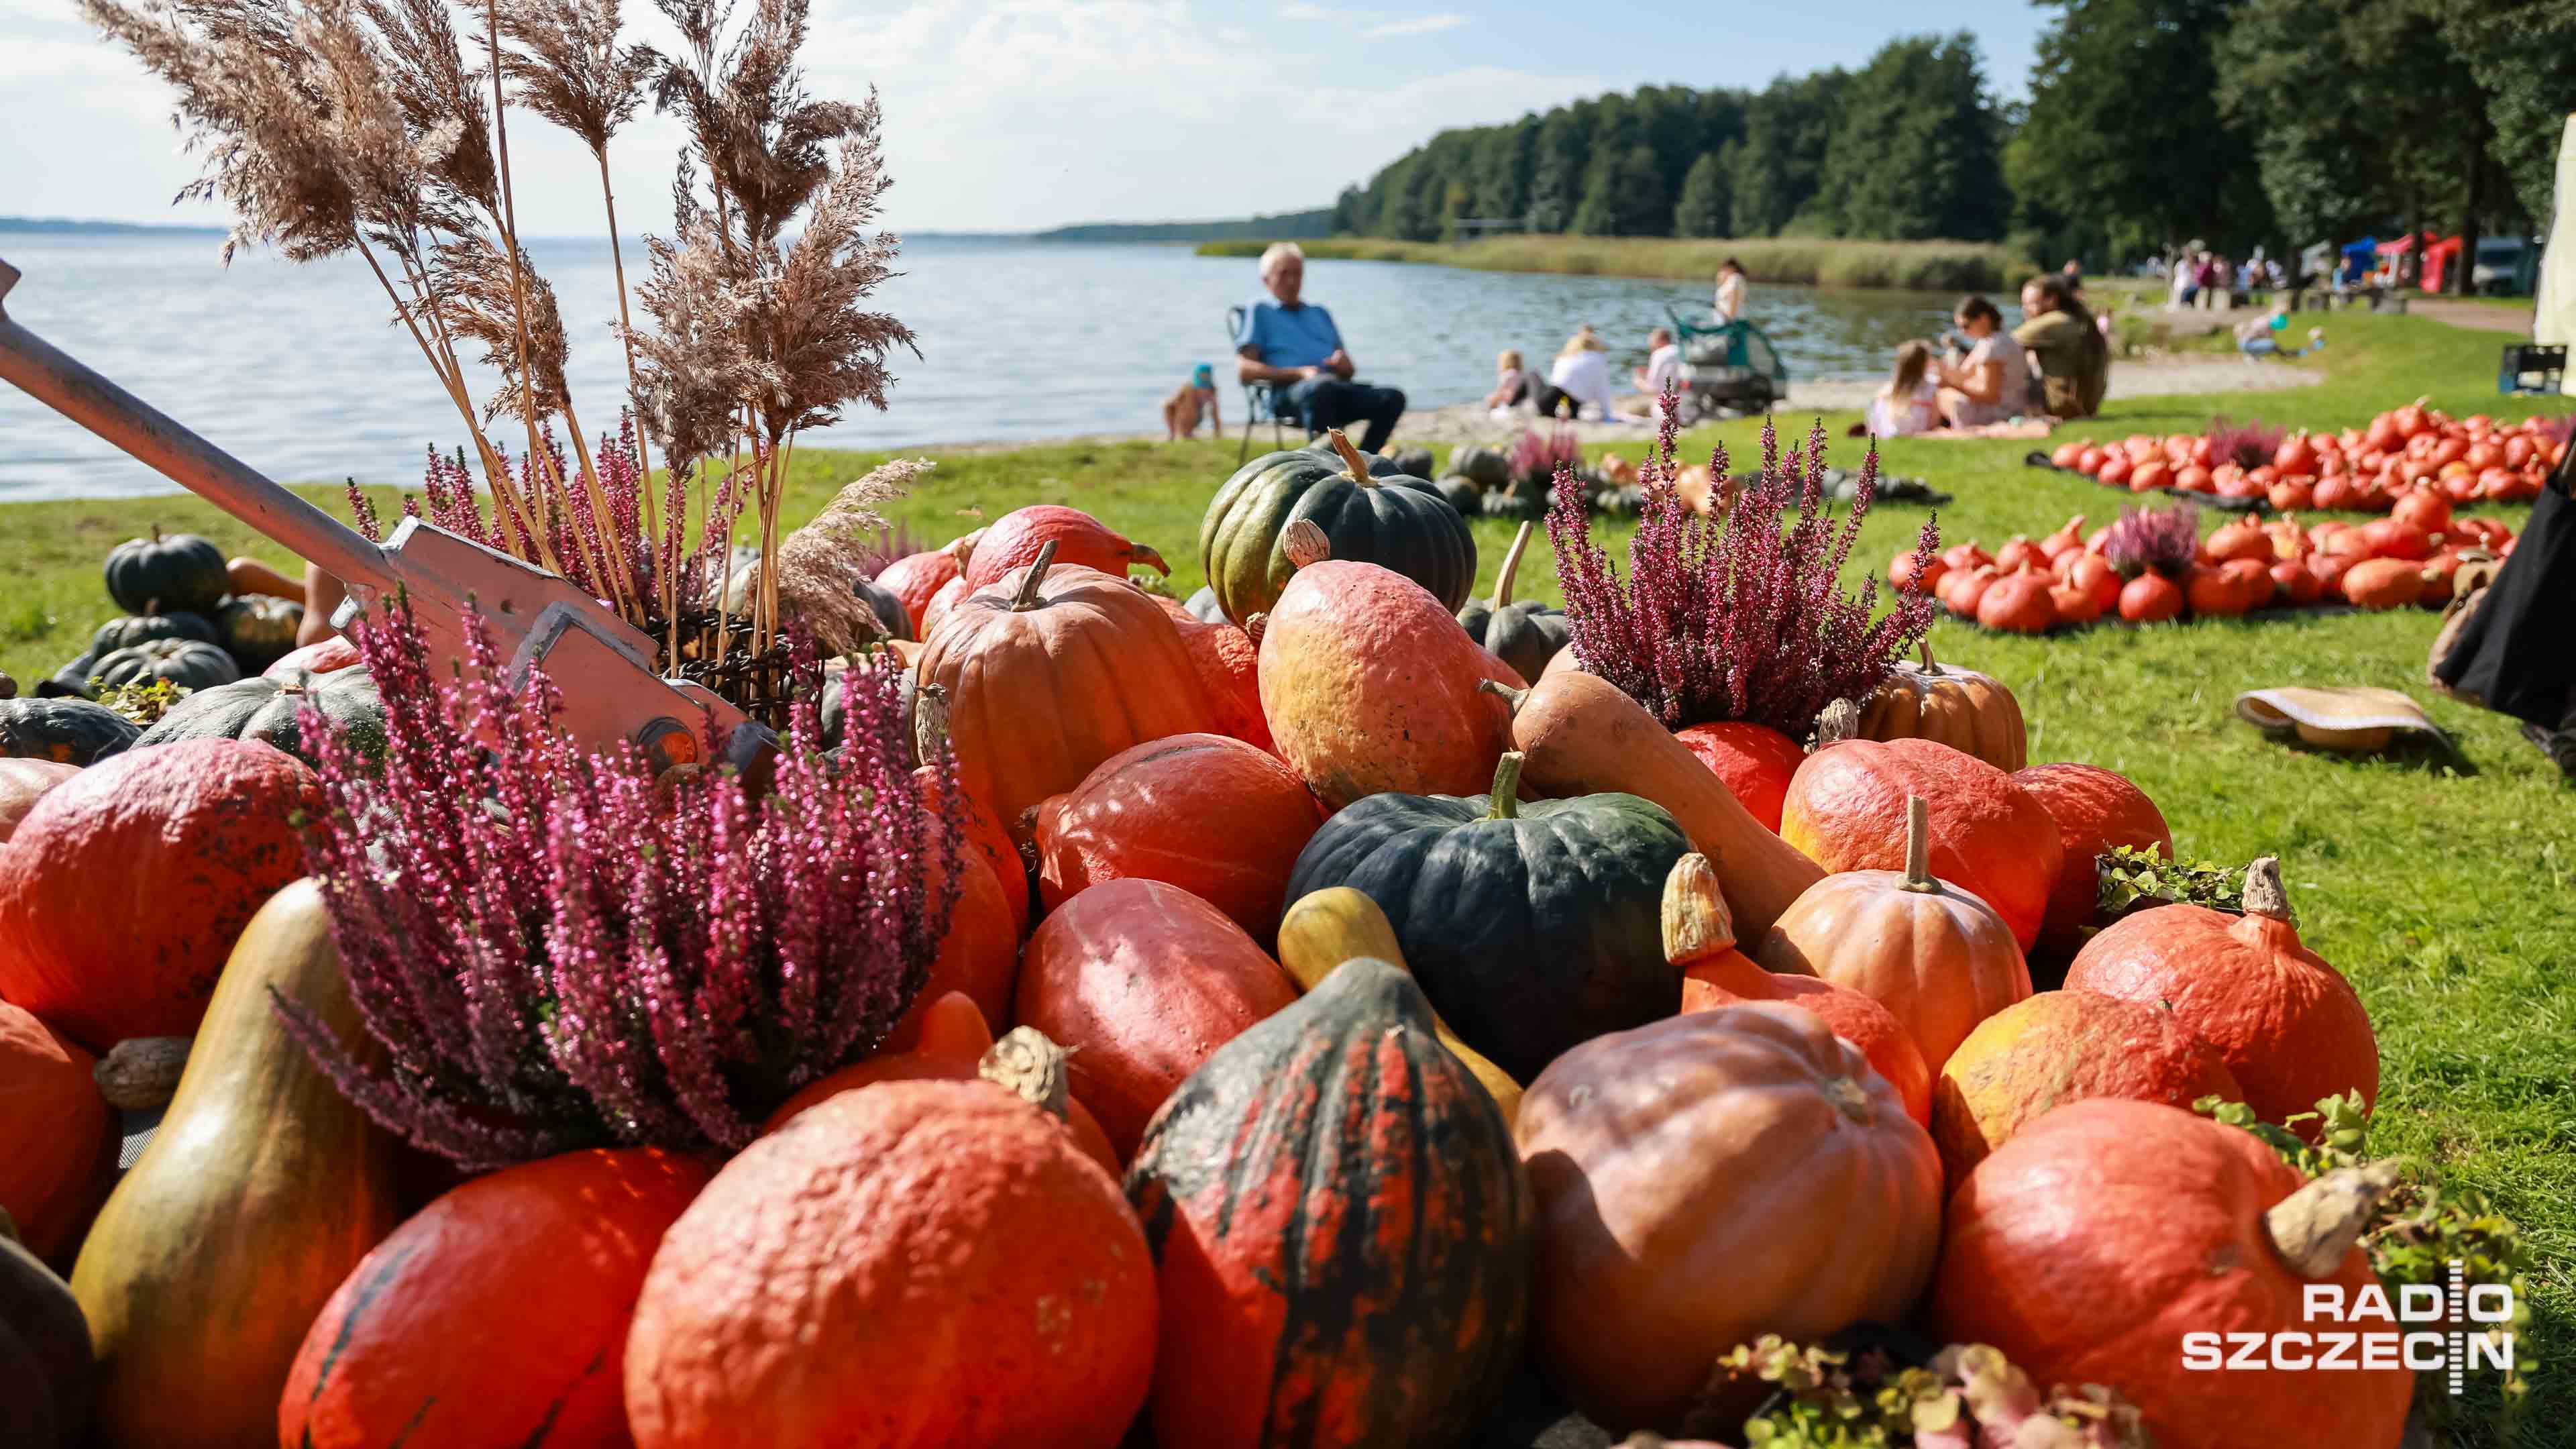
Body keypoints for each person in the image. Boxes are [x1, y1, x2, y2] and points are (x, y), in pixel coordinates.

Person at [1233, 241, 1406, 452]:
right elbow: (1245, 370)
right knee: (1320, 390)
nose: (1292, 281)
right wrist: (1299, 373)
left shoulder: (1319, 313)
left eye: (1297, 273)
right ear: (1266, 280)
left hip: (1333, 388)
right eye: (1284, 274)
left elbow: (1349, 371)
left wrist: (1344, 365)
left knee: (1392, 398)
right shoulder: (1259, 310)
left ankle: (1363, 461)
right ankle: (1327, 462)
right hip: (1289, 393)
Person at [2015, 274, 2110, 419]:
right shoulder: (2078, 319)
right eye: (2024, 305)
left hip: (2062, 406)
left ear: (2051, 300)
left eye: (2031, 303)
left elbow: (2005, 344)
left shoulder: (2057, 321)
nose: (2025, 310)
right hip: (2084, 406)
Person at [1934, 295, 2030, 429]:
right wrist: (1937, 369)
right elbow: (1963, 375)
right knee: (1938, 391)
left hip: (2001, 412)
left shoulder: (1993, 346)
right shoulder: (1994, 339)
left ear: (1984, 319)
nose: (1962, 332)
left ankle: (1936, 430)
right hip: (2010, 406)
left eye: (1966, 326)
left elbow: (1990, 396)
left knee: (1940, 396)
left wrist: (1951, 385)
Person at [1866, 340, 1941, 437]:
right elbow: (1934, 424)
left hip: (1887, 432)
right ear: (1925, 364)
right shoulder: (1930, 387)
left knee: (1876, 403)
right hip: (1917, 432)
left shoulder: (1889, 389)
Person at [1546, 325, 1617, 421]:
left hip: (1553, 401)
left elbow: (1554, 381)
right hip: (1573, 405)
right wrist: (1607, 414)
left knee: (1532, 374)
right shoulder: (1598, 359)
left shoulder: (1566, 357)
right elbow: (1602, 390)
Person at [1483, 347, 1572, 418]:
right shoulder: (1521, 375)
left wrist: (1490, 401)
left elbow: (1499, 396)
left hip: (1516, 403)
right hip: (1528, 402)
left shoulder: (1507, 376)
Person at [1617, 326, 1684, 419]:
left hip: (1667, 409)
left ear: (1661, 341)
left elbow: (1653, 389)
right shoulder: (1681, 351)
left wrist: (1638, 381)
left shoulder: (1659, 354)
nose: (1651, 348)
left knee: (1630, 409)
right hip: (1686, 404)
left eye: (1652, 345)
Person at [1161, 362, 1221, 441]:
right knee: (1170, 405)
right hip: (1183, 414)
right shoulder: (1188, 388)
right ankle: (1173, 434)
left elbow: (1215, 412)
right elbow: (1173, 402)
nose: (1203, 391)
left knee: (1194, 405)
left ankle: (1187, 433)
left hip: (1197, 416)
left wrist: (1217, 432)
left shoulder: (1212, 390)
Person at [1714, 258, 1748, 322]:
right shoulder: (1732, 280)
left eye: (1724, 269)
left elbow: (1734, 297)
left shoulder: (1735, 278)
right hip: (1726, 320)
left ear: (1731, 268)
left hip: (1731, 320)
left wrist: (1730, 317)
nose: (1722, 272)